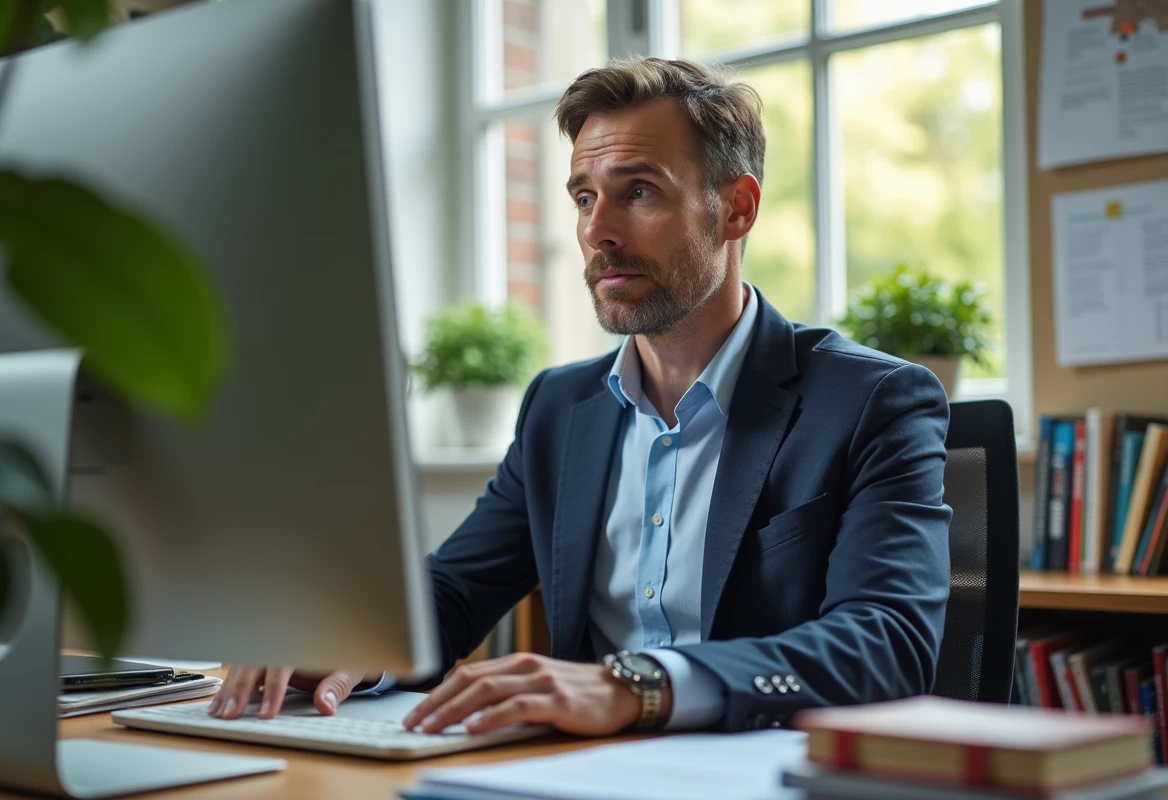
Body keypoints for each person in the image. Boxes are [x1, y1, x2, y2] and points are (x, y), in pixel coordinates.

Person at [208, 57, 952, 736]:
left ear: (737, 209)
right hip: (571, 772)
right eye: (584, 197)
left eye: (639, 192)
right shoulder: (559, 409)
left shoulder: (871, 401)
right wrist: (349, 642)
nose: (598, 231)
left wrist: (638, 685)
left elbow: (886, 644)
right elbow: (455, 590)